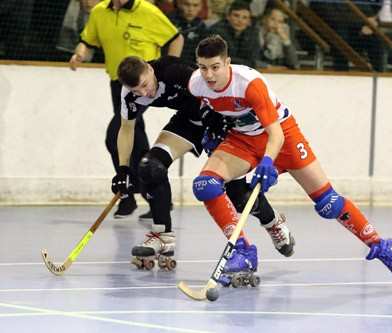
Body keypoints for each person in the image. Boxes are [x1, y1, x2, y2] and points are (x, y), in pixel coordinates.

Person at [188, 35, 392, 282]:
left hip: (283, 135)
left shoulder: (249, 84)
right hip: (243, 139)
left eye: (215, 67)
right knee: (205, 185)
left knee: (328, 203)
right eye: (203, 67)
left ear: (227, 62)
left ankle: (383, 247)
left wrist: (267, 162)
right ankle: (244, 252)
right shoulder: (197, 84)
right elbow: (207, 108)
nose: (209, 75)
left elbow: (275, 133)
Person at [114, 55, 295, 269]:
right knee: (150, 167)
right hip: (189, 122)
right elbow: (126, 129)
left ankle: (273, 222)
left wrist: (220, 124)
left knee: (236, 194)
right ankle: (163, 235)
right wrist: (123, 170)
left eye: (145, 85)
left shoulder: (175, 71)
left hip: (220, 119)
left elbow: (214, 87)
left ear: (150, 70)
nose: (144, 94)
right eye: (137, 91)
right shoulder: (130, 96)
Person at [69, 0, 184, 219]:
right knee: (137, 141)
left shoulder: (147, 11)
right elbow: (87, 40)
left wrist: (170, 67)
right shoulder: (100, 12)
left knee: (116, 136)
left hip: (145, 85)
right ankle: (150, 198)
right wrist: (79, 55)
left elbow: (176, 38)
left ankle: (129, 193)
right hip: (118, 84)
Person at [208, 1, 260, 68]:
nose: (240, 20)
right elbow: (219, 58)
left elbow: (253, 59)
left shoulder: (253, 33)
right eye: (236, 15)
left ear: (249, 21)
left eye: (245, 17)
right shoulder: (216, 31)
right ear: (228, 17)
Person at [168, 0, 209, 65]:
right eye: (187, 4)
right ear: (179, 4)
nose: (191, 9)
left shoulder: (201, 25)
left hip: (193, 67)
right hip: (170, 65)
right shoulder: (168, 22)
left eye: (195, 5)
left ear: (201, 7)